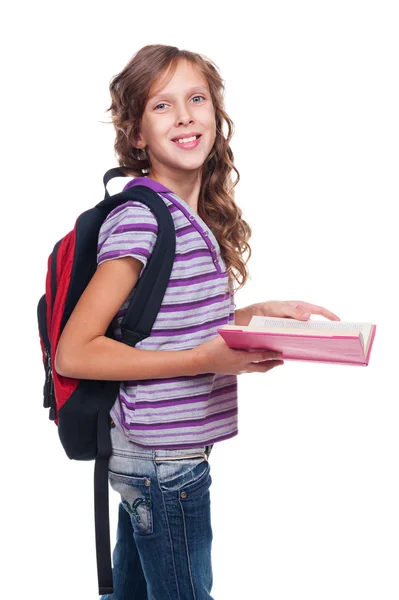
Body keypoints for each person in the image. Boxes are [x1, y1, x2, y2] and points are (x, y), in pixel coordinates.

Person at [55, 44, 340, 600]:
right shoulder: (143, 219)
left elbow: (163, 325)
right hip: (162, 462)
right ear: (137, 134)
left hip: (157, 456)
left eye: (196, 99)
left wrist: (254, 315)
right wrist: (205, 360)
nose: (185, 115)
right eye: (162, 106)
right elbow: (77, 350)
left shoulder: (185, 216)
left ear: (215, 114)